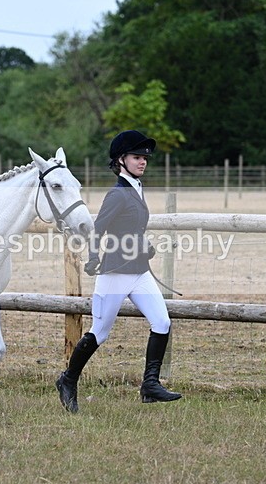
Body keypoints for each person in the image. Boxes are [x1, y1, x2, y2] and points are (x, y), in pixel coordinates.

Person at [55, 130, 182, 413]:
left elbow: (130, 229)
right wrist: (93, 257)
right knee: (100, 332)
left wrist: (143, 245)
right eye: (137, 157)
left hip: (139, 272)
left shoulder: (136, 188)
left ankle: (150, 385)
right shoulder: (118, 193)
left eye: (145, 158)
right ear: (121, 160)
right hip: (114, 273)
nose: (143, 162)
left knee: (162, 322)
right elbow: (99, 229)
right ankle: (67, 379)